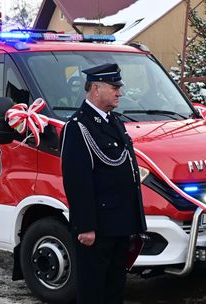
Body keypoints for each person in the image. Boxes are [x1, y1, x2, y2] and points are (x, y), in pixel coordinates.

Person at [60, 63, 147, 304]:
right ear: (96, 88)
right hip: (97, 228)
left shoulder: (114, 122)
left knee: (114, 289)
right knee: (93, 291)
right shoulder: (78, 127)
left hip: (119, 225)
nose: (119, 92)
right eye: (114, 87)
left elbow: (127, 171)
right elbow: (78, 181)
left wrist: (134, 221)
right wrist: (86, 226)